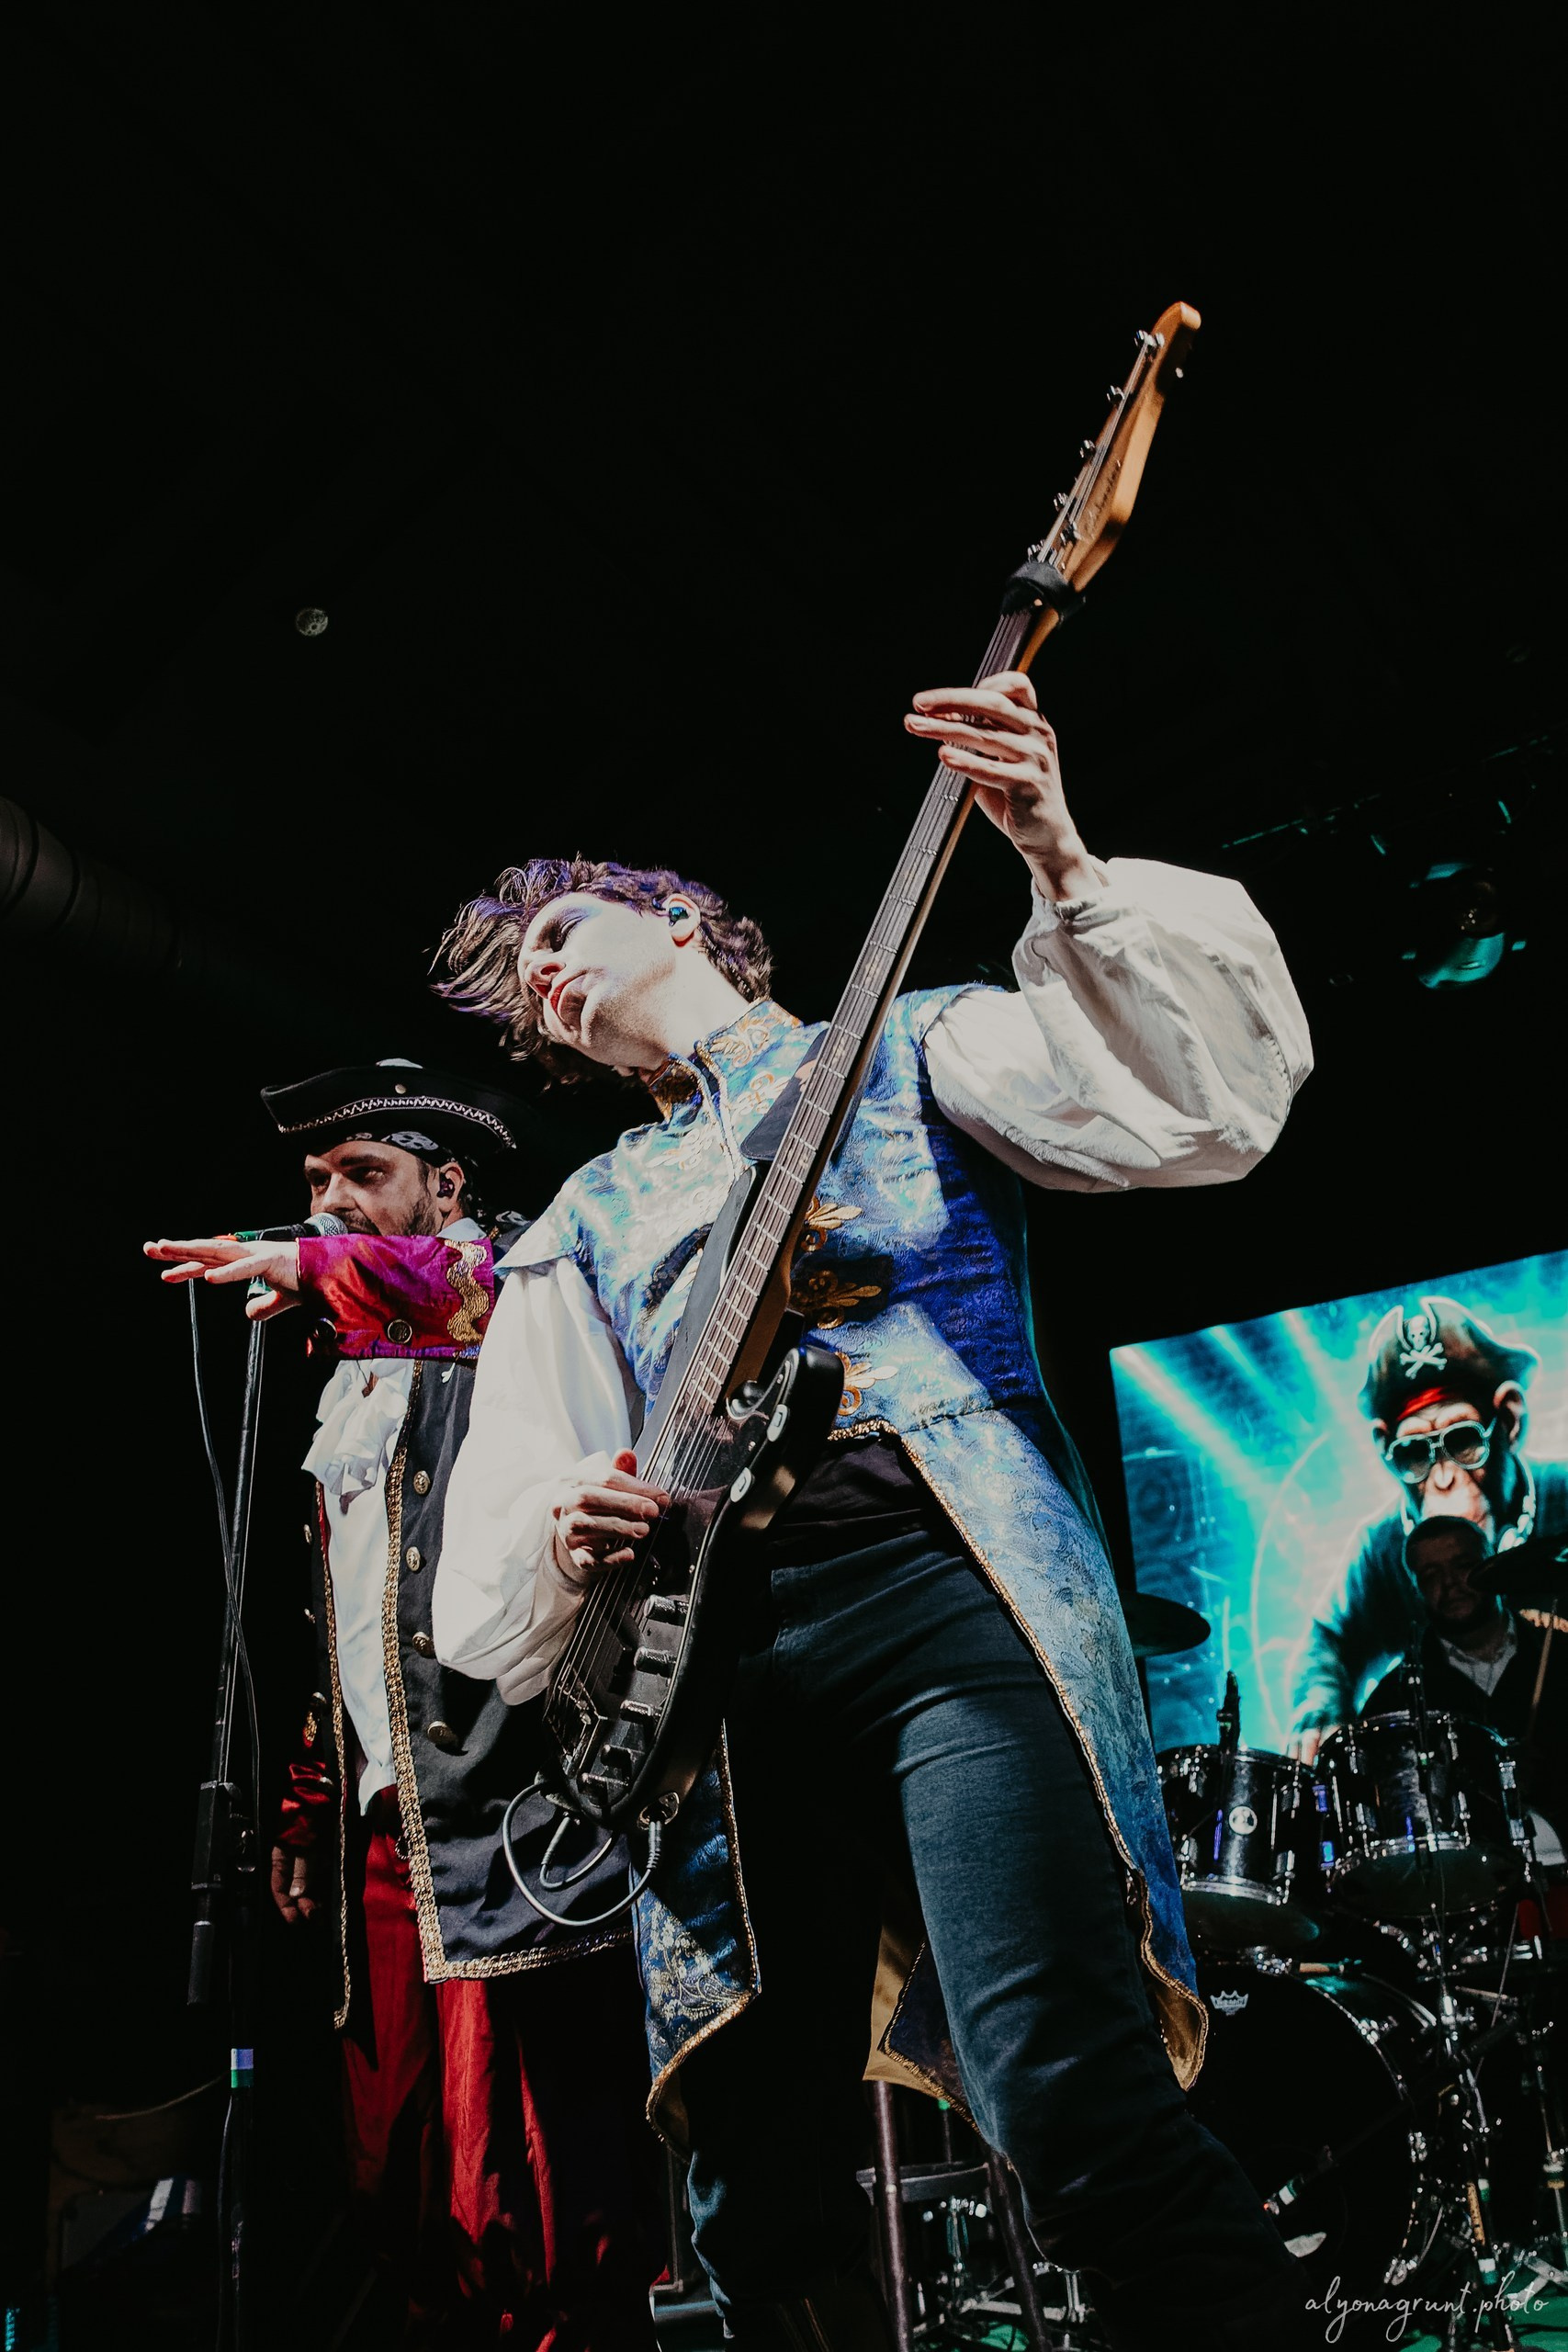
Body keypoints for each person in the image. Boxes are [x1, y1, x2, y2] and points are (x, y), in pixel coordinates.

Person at [422, 668, 1319, 2351]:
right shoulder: (585, 1216)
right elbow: (516, 1510)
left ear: (678, 916)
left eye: (560, 929)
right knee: (750, 2178)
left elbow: (1196, 1112)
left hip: (945, 1601)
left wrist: (1054, 855)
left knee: (1062, 2092)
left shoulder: (910, 1048)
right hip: (719, 1675)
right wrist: (566, 1523)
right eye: (523, 984)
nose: (539, 974)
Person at [146, 1059, 660, 2351]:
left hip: (513, 1804)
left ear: (447, 1185)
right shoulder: (351, 1381)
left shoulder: (509, 1298)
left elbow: (464, 1284)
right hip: (388, 1825)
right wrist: (311, 1798)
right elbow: (351, 1619)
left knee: (529, 2176)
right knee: (402, 2169)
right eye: (315, 1181)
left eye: (363, 1174)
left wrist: (306, 1263)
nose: (329, 1202)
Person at [1292, 1296, 1568, 1756]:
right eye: (1415, 1453)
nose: (1442, 1478)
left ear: (1508, 1421)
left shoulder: (1562, 1492)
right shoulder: (1382, 1546)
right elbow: (1331, 1640)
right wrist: (1321, 1706)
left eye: (1463, 1441)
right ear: (1386, 1449)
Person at [1360, 1516, 1568, 1864]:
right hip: (1468, 1880)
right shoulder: (1394, 1700)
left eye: (1463, 1566)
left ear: (1493, 1563)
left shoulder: (1560, 1654)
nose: (1450, 1584)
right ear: (1415, 1589)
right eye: (1431, 1575)